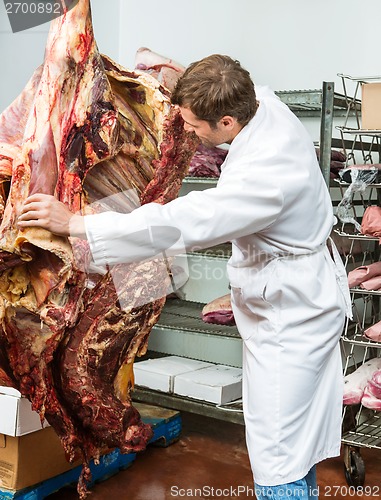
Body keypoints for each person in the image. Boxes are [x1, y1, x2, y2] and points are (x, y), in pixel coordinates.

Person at [18, 54, 351, 499]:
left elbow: (181, 222)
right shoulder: (263, 104)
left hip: (292, 314)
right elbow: (222, 80)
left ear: (228, 121)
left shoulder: (266, 176)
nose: (188, 134)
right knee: (289, 439)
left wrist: (78, 223)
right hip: (291, 291)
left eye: (194, 127)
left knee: (277, 448)